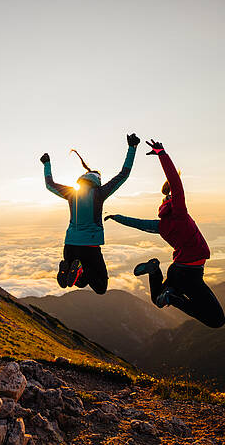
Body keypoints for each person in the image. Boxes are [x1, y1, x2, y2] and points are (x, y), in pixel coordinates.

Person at [105, 139, 225, 328]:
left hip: (178, 270)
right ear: (172, 199)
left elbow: (138, 224)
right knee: (217, 320)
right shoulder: (179, 213)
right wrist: (162, 153)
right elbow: (175, 182)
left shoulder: (161, 225)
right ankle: (172, 296)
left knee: (157, 298)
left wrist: (117, 217)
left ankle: (155, 271)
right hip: (190, 273)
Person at [40, 133, 140, 294]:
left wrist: (46, 163)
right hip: (90, 247)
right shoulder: (99, 193)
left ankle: (71, 269)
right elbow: (124, 174)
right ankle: (79, 269)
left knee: (77, 283)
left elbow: (49, 185)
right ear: (97, 180)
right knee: (101, 287)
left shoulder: (71, 192)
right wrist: (132, 148)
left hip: (70, 245)